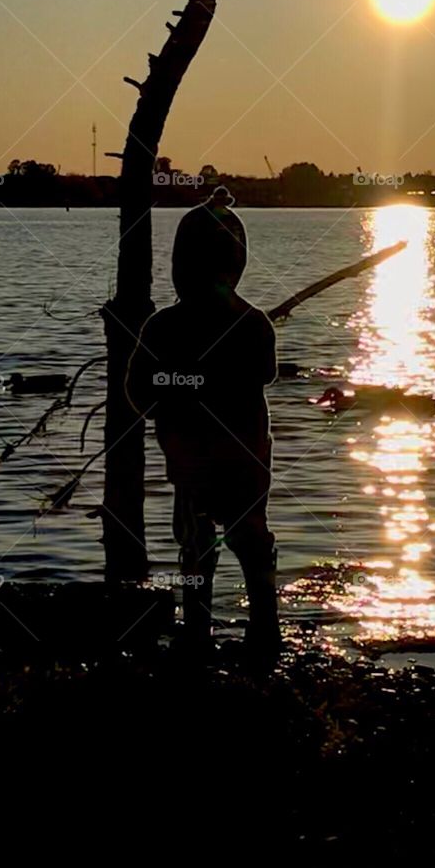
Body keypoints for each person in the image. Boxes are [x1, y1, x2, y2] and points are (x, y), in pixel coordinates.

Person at [126, 187, 279, 662]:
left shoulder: (166, 326)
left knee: (200, 542)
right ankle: (258, 629)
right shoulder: (251, 322)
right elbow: (265, 373)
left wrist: (182, 382)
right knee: (244, 539)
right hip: (234, 455)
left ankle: (203, 630)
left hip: (205, 456)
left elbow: (140, 392)